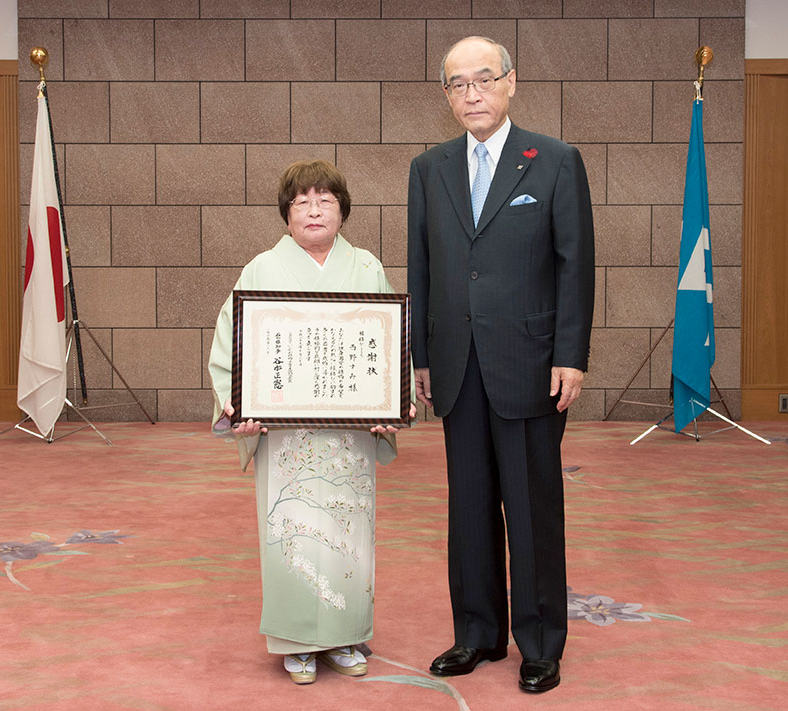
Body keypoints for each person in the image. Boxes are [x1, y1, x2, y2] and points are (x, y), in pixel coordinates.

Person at [407, 36, 595, 693]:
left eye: (482, 79)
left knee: (531, 506)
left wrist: (571, 354)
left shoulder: (553, 162)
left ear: (510, 82)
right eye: (457, 84)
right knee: (469, 505)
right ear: (445, 97)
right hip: (457, 365)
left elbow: (575, 265)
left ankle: (540, 641)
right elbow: (423, 268)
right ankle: (477, 632)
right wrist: (421, 357)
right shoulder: (428, 170)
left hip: (532, 363)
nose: (471, 94)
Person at [208, 159, 414, 685]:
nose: (315, 209)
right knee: (291, 528)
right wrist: (238, 406)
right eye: (302, 201)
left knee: (348, 532)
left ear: (343, 210)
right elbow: (229, 347)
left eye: (325, 199)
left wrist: (393, 404)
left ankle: (345, 635)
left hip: (349, 438)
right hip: (285, 440)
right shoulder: (260, 270)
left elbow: (389, 347)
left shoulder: (366, 268)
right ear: (286, 214)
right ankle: (296, 639)